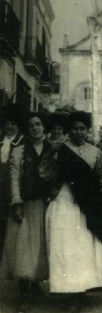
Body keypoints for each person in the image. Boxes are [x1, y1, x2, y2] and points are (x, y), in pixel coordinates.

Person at [45, 111, 102, 308]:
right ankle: (68, 290)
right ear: (70, 130)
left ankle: (82, 289)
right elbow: (47, 173)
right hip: (64, 202)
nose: (78, 132)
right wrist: (52, 156)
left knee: (84, 248)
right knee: (65, 247)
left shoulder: (95, 152)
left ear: (87, 131)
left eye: (82, 129)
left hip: (87, 206)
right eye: (75, 129)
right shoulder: (61, 149)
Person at [1, 113, 52, 299]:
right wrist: (17, 202)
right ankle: (24, 289)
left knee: (40, 244)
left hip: (46, 203)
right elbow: (14, 178)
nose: (35, 128)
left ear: (43, 127)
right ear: (26, 129)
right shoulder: (19, 151)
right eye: (31, 126)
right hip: (26, 203)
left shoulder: (53, 149)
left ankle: (36, 284)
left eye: (38, 124)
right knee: (23, 244)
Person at [0, 104, 25, 259]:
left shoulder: (22, 142)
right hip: (0, 184)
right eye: (7, 124)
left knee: (13, 218)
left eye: (12, 124)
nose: (9, 127)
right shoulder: (1, 141)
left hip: (14, 184)